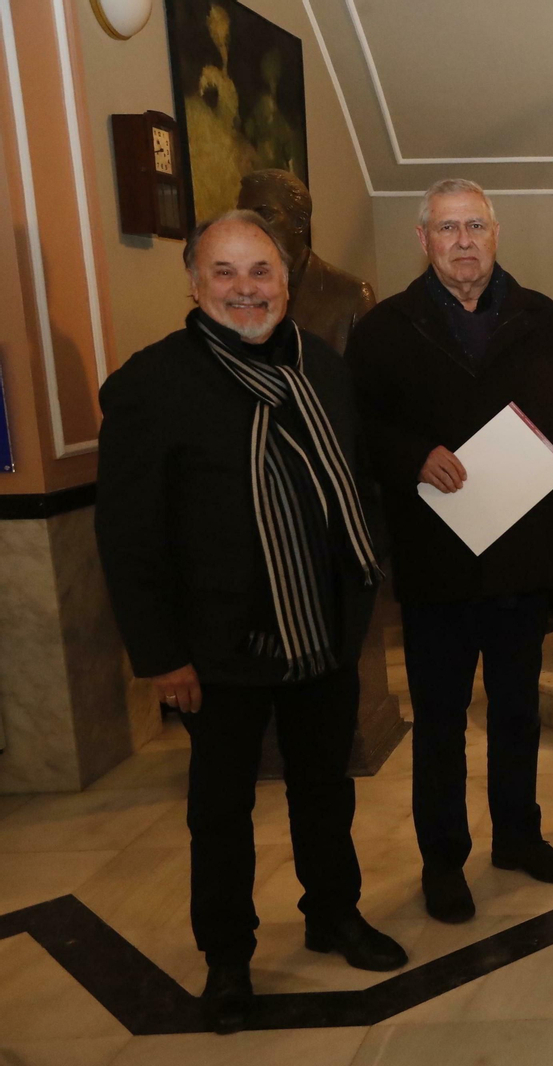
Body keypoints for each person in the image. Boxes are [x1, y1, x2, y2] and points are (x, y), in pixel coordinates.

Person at [96, 211, 405, 1033]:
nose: (246, 290)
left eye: (260, 272)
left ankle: (334, 913)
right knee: (221, 810)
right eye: (225, 273)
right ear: (194, 284)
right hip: (218, 649)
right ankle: (228, 957)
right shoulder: (152, 384)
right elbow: (128, 536)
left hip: (323, 632)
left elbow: (356, 481)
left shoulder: (322, 368)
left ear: (286, 281)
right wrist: (163, 655)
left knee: (324, 789)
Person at [347, 179, 553, 925]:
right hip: (436, 562)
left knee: (518, 711)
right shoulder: (385, 329)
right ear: (423, 240)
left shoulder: (544, 321)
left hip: (524, 559)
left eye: (475, 226)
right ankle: (443, 861)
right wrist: (411, 456)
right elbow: (355, 425)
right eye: (447, 228)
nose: (463, 241)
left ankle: (518, 837)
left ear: (496, 234)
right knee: (439, 722)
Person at [236, 169, 377, 353]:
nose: (250, 228)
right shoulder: (228, 291)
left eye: (265, 215)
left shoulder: (352, 296)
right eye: (244, 218)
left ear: (299, 222)